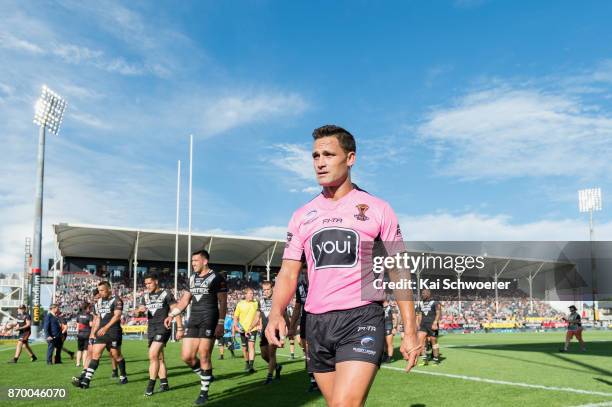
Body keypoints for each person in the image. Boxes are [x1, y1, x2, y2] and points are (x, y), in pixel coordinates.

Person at [265, 125, 421, 407]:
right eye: (315, 156)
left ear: (350, 158)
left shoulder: (377, 208)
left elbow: (399, 269)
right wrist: (276, 312)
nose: (320, 162)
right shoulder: (302, 215)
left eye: (328, 154)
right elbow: (288, 272)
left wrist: (409, 329)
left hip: (361, 317)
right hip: (316, 324)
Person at [164, 249, 228, 405]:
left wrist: (220, 323)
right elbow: (184, 301)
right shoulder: (191, 278)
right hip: (193, 319)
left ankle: (204, 392)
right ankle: (206, 376)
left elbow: (223, 302)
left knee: (204, 354)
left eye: (196, 261)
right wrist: (171, 315)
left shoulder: (217, 277)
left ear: (205, 261)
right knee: (186, 356)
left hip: (210, 318)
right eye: (192, 261)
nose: (193, 264)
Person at [72, 281, 128, 389]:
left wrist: (106, 327)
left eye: (102, 290)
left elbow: (117, 316)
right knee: (95, 355)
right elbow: (97, 319)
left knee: (116, 355)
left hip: (113, 332)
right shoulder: (98, 303)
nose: (100, 292)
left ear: (109, 289)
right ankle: (86, 381)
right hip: (101, 333)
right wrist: (93, 334)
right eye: (99, 290)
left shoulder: (116, 300)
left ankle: (123, 376)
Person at [138, 272, 179, 396]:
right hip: (151, 329)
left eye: (149, 283)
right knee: (159, 357)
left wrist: (180, 327)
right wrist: (138, 311)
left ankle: (150, 387)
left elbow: (176, 309)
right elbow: (138, 313)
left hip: (163, 327)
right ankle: (164, 384)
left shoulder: (166, 293)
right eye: (146, 284)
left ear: (156, 281)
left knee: (152, 355)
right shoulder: (145, 297)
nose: (147, 286)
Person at [289, 270, 318, 392]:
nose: (305, 273)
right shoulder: (300, 284)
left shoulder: (319, 279)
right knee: (307, 351)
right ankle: (313, 381)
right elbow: (297, 306)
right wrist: (291, 327)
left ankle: (323, 379)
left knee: (319, 350)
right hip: (306, 317)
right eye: (303, 270)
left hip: (322, 317)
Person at [256, 281, 284, 384]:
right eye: (264, 290)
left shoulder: (278, 300)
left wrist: (289, 328)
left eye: (268, 289)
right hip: (264, 332)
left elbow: (283, 315)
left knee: (272, 354)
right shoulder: (261, 300)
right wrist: (250, 327)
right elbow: (257, 315)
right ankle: (277, 366)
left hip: (274, 331)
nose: (266, 291)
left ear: (272, 288)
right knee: (264, 355)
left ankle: (269, 377)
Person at [233, 288, 259, 373]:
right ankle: (247, 363)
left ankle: (251, 366)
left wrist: (259, 325)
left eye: (252, 293)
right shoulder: (240, 304)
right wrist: (236, 326)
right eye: (250, 293)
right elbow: (236, 317)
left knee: (251, 346)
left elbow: (258, 315)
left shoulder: (256, 303)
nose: (252, 295)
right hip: (242, 330)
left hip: (252, 329)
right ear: (245, 294)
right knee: (245, 348)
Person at [416, 289, 441, 365]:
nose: (422, 294)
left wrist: (435, 322)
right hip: (423, 325)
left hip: (432, 324)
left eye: (423, 293)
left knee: (434, 341)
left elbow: (438, 313)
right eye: (422, 293)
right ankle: (425, 360)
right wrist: (419, 325)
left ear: (428, 293)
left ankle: (436, 360)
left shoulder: (435, 302)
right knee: (422, 341)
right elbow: (420, 315)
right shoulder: (420, 303)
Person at [75, 303, 93, 368]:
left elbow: (77, 325)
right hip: (87, 334)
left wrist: (77, 333)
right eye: (90, 308)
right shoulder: (90, 316)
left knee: (79, 349)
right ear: (87, 308)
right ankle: (84, 363)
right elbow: (91, 325)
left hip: (80, 334)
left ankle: (77, 363)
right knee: (85, 350)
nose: (91, 309)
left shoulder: (78, 315)